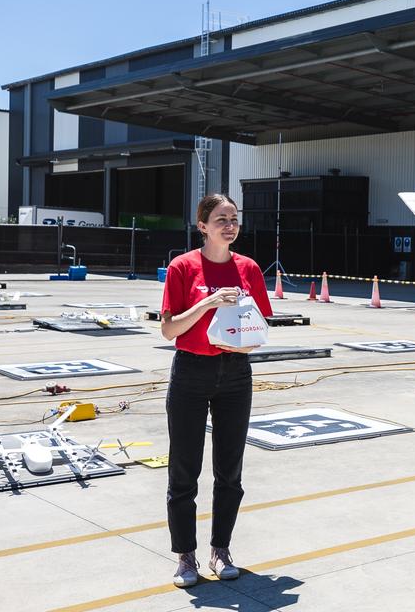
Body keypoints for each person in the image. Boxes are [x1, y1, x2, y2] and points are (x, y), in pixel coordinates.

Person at [159, 193, 273, 587]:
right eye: (221, 219)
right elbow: (170, 329)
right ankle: (185, 557)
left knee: (230, 470)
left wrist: (238, 346)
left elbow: (257, 333)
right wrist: (207, 303)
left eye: (234, 219)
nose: (230, 225)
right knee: (184, 471)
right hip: (191, 372)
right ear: (203, 226)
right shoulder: (182, 267)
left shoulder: (250, 269)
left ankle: (220, 550)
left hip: (236, 374)